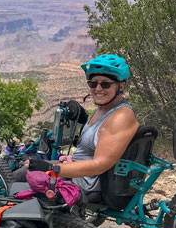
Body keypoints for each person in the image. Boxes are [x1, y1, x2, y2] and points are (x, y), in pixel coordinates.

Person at [22, 53, 139, 195]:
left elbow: (99, 165)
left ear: (121, 86)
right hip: (78, 173)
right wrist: (71, 160)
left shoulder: (121, 117)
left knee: (20, 182)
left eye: (105, 84)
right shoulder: (103, 109)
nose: (98, 89)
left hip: (87, 183)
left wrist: (53, 169)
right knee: (20, 171)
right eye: (93, 83)